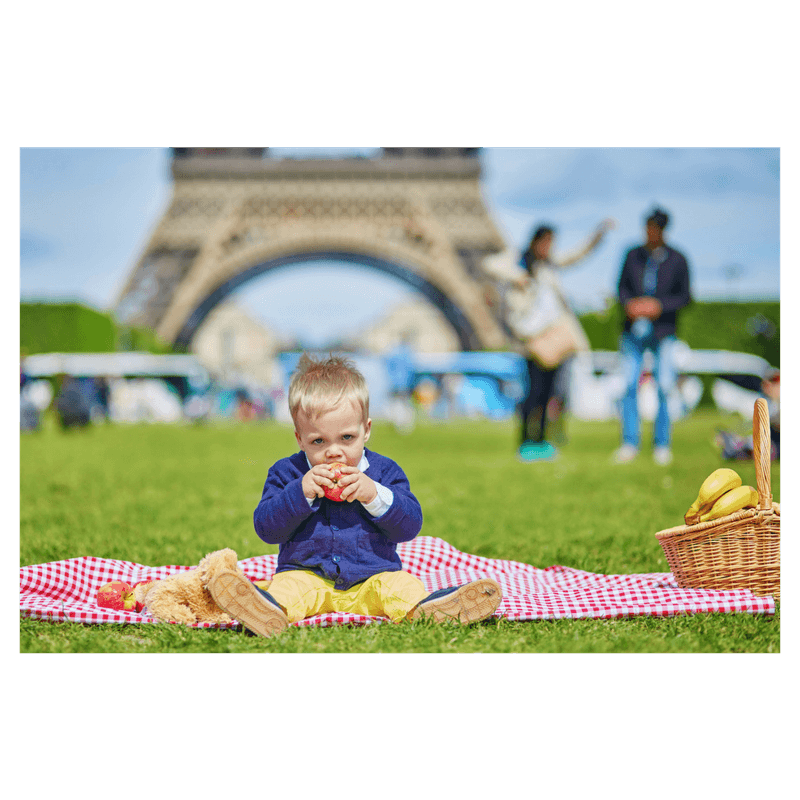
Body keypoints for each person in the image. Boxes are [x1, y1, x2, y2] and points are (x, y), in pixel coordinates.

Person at [207, 353, 502, 636]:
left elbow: (410, 525)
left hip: (373, 578)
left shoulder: (384, 472)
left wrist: (373, 495)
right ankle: (265, 611)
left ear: (366, 430)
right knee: (287, 589)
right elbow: (267, 529)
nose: (334, 451)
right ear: (299, 439)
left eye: (347, 437)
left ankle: (433, 609)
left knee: (401, 587)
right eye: (318, 440)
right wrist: (301, 492)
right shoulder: (288, 473)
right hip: (307, 576)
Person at [483, 219, 615, 461]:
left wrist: (598, 235)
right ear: (536, 241)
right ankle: (525, 441)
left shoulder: (550, 265)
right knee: (533, 391)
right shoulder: (518, 261)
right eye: (546, 242)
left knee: (549, 392)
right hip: (532, 338)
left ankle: (541, 441)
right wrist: (518, 276)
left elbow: (577, 255)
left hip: (554, 336)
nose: (549, 248)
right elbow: (489, 264)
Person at [614, 208, 692, 465]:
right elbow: (621, 288)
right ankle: (629, 443)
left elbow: (685, 297)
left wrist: (659, 306)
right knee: (628, 386)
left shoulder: (678, 259)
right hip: (632, 330)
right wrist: (631, 305)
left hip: (663, 331)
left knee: (665, 385)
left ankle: (662, 444)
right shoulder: (632, 255)